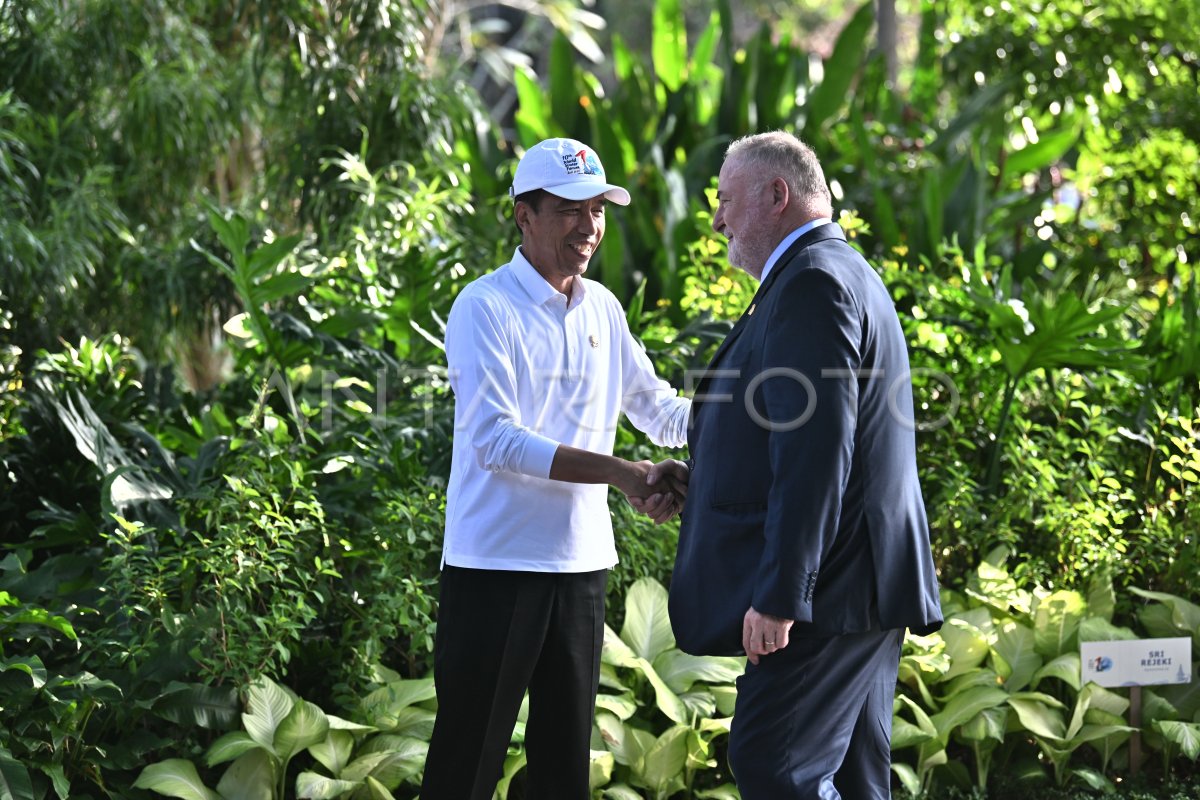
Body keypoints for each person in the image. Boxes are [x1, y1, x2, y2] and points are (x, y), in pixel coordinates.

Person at [650, 131, 943, 799]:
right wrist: (703, 485)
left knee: (773, 763)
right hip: (859, 581)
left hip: (830, 589)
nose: (719, 218)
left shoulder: (812, 282)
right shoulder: (834, 271)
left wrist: (783, 593)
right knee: (854, 777)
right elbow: (803, 438)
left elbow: (818, 454)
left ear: (776, 195)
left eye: (726, 200)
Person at [419, 137, 689, 800]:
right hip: (494, 569)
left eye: (597, 210)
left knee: (564, 771)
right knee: (465, 767)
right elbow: (498, 441)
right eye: (570, 209)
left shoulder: (602, 307)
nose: (589, 227)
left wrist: (746, 428)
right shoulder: (484, 308)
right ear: (524, 216)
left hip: (580, 569)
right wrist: (625, 474)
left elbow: (656, 408)